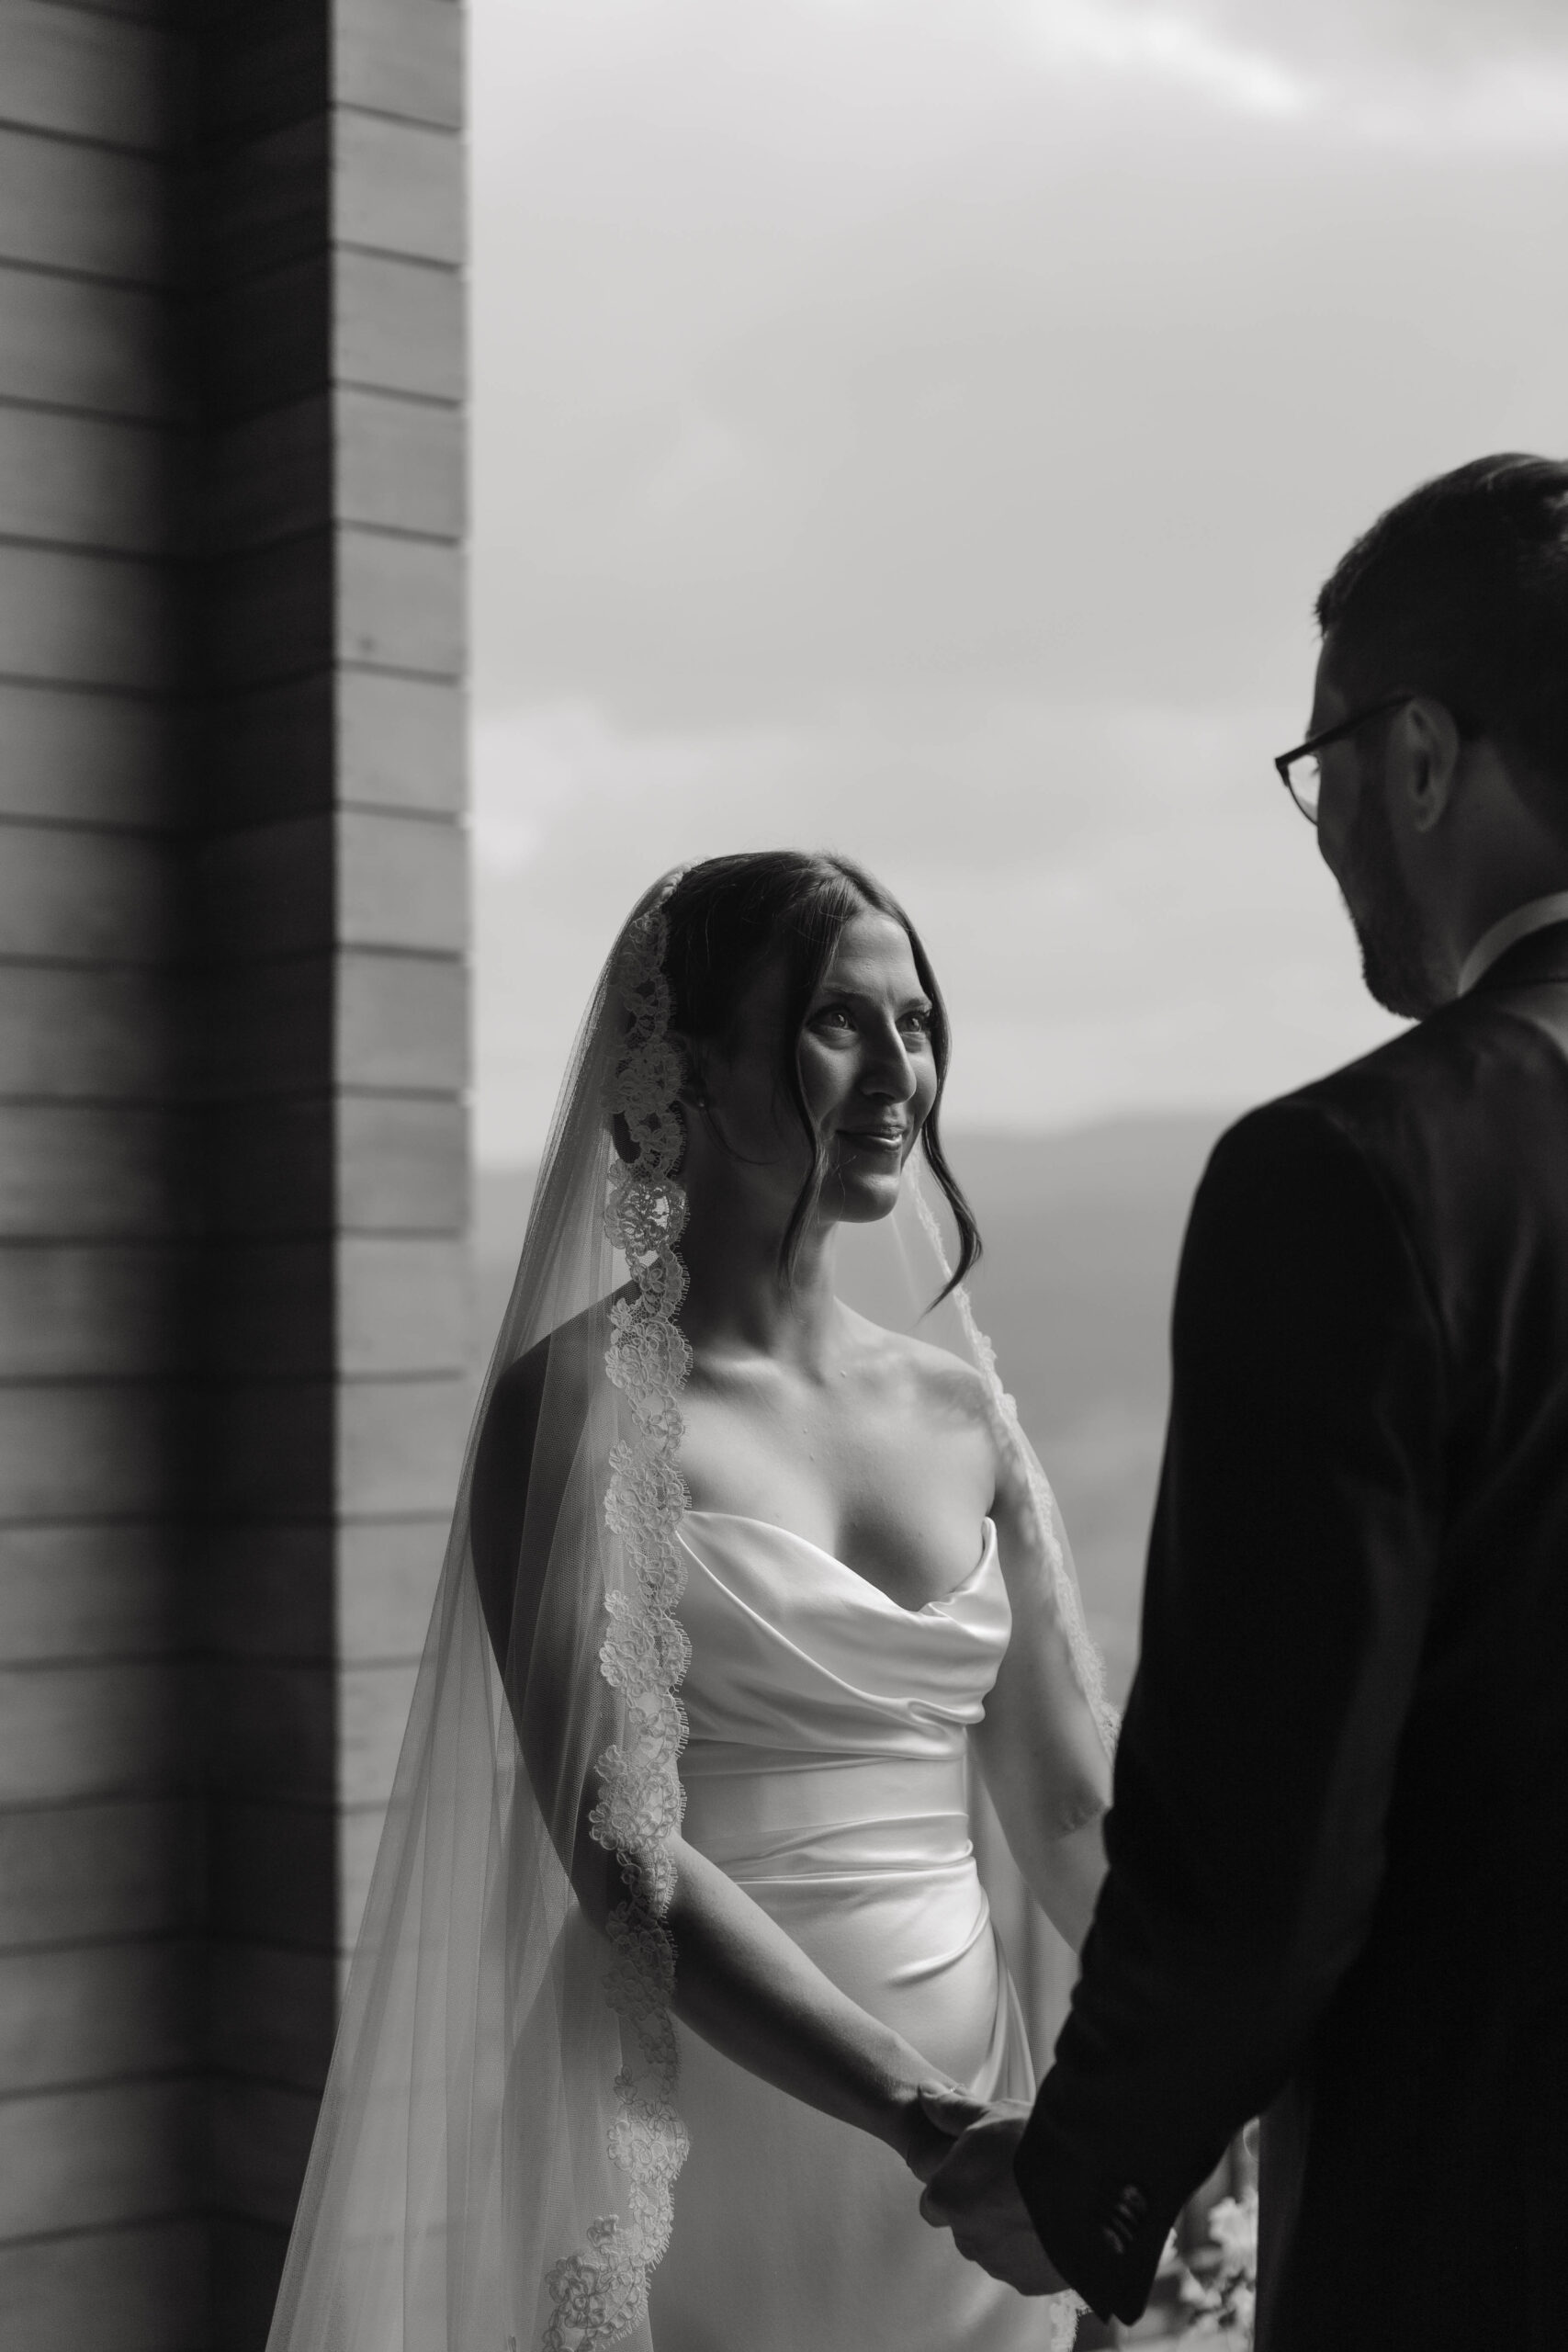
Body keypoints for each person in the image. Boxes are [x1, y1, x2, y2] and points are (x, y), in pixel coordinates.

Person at [264, 850, 1113, 2352]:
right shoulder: (574, 1407)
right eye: (839, 1022)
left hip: (992, 2135)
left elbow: (1060, 1814)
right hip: (704, 2120)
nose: (900, 1071)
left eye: (917, 1023)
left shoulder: (959, 1408)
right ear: (690, 1062)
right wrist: (912, 2115)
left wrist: (1172, 2089)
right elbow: (619, 1853)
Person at [918, 452, 1568, 2350]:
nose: (1322, 825)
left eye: (1326, 766)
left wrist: (1092, 2165)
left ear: (1423, 757)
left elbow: (1269, 1801)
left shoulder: (1349, 1176)